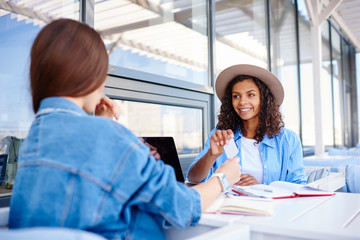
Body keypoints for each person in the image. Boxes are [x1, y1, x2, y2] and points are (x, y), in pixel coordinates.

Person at [8, 19, 241, 239]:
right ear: (92, 74)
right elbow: (184, 207)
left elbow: (82, 200)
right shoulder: (104, 136)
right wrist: (224, 178)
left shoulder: (33, 140)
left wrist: (103, 124)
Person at [187, 64, 307, 186]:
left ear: (264, 99)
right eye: (236, 96)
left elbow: (299, 185)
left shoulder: (288, 140)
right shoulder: (220, 136)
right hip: (228, 205)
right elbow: (193, 178)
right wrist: (211, 155)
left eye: (251, 95)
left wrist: (261, 189)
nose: (242, 102)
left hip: (270, 205)